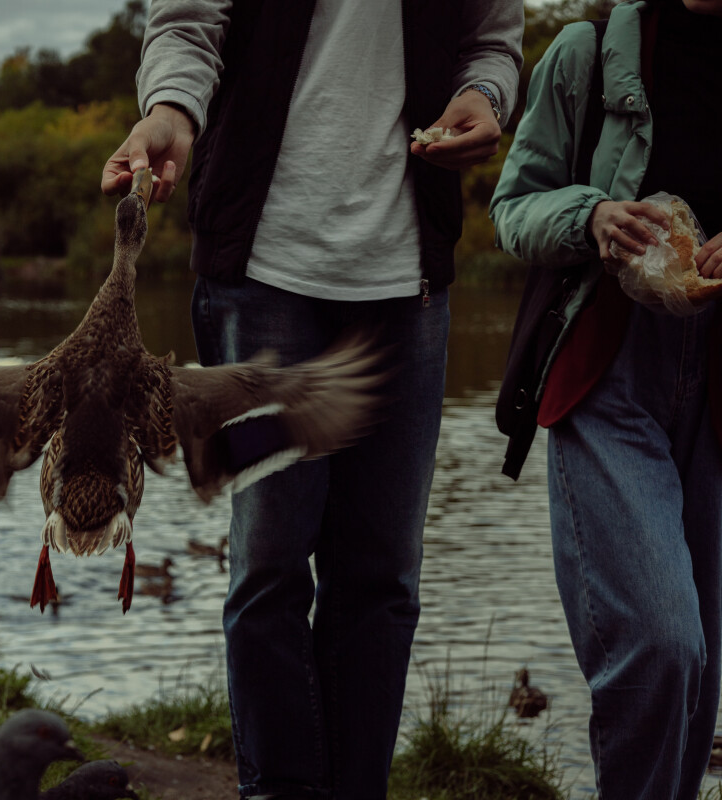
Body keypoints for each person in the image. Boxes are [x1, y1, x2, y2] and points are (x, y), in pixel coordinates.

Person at [102, 2, 522, 797]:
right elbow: (189, 21)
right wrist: (170, 107)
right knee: (270, 568)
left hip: (409, 283)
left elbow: (491, 39)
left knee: (383, 579)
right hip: (262, 273)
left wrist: (485, 93)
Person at [489, 1, 722, 797]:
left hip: (718, 392)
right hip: (606, 371)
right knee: (663, 644)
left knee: (701, 672)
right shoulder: (585, 54)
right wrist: (589, 214)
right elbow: (512, 207)